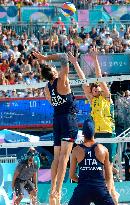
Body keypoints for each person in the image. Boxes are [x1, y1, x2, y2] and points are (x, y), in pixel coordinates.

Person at [68, 51, 118, 204]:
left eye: (97, 87)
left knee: (107, 170)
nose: (95, 88)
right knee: (103, 174)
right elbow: (84, 81)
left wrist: (95, 60)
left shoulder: (107, 98)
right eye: (93, 87)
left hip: (108, 134)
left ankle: (112, 197)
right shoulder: (92, 100)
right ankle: (113, 198)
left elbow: (100, 78)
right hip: (96, 138)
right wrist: (75, 63)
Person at [33, 51, 78, 205]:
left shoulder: (47, 87)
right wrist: (45, 58)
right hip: (68, 119)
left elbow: (53, 103)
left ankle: (53, 191)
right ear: (52, 71)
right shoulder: (62, 80)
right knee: (65, 158)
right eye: (53, 67)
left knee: (57, 158)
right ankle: (57, 193)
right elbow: (64, 57)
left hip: (57, 120)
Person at [68, 119, 115, 205]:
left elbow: (72, 176)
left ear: (82, 134)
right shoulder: (103, 150)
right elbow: (108, 176)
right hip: (100, 188)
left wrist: (83, 182)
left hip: (83, 189)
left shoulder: (76, 150)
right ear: (94, 133)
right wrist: (106, 192)